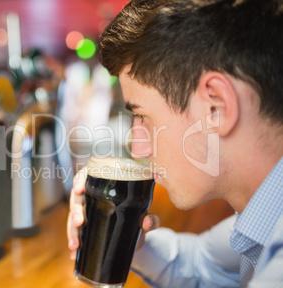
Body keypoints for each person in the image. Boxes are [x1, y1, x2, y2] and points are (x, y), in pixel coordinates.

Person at [66, 0, 283, 287]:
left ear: (216, 107)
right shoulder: (265, 213)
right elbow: (202, 265)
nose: (138, 149)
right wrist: (126, 239)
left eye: (142, 116)